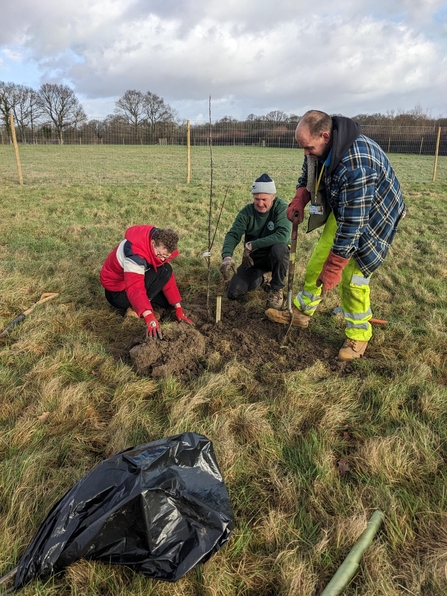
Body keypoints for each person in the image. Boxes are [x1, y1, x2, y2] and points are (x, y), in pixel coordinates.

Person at [266, 110, 405, 361]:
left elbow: (354, 224)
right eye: (303, 148)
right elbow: (310, 168)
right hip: (347, 206)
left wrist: (336, 265)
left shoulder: (356, 166)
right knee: (320, 256)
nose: (306, 152)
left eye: (309, 147)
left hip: (375, 214)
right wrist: (301, 195)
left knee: (353, 277)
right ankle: (301, 312)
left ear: (326, 136)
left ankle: (359, 335)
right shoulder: (319, 146)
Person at [100, 225, 193, 339]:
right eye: (160, 255)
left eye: (166, 256)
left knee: (169, 302)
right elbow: (135, 287)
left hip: (134, 280)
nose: (162, 259)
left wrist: (178, 307)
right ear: (153, 243)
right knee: (163, 271)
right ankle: (135, 309)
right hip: (118, 293)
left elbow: (166, 275)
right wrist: (149, 317)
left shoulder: (159, 241)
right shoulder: (135, 255)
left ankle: (144, 303)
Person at [219, 173, 292, 310]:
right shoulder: (247, 212)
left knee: (280, 249)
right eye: (256, 198)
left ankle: (276, 288)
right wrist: (227, 256)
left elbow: (282, 235)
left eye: (264, 199)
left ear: (273, 196)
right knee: (234, 293)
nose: (260, 203)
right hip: (254, 260)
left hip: (274, 257)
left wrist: (253, 244)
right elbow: (233, 234)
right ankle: (263, 278)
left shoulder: (281, 208)